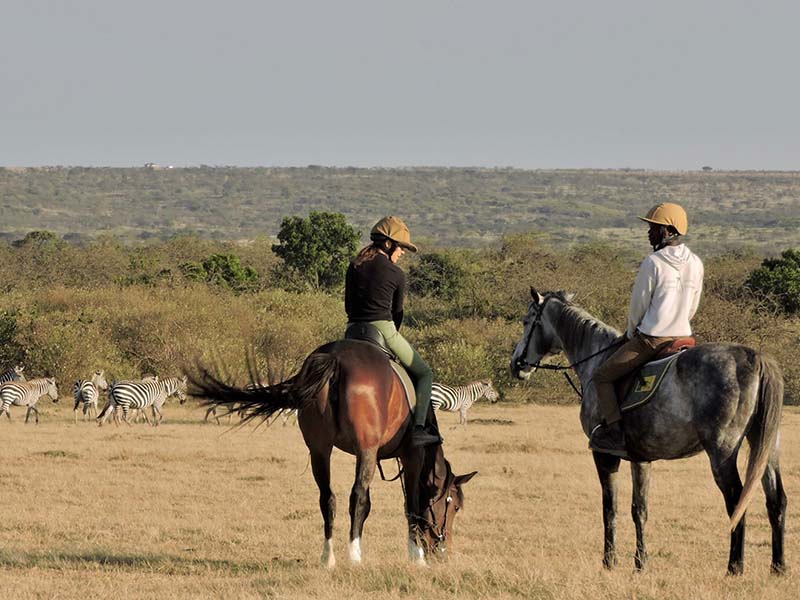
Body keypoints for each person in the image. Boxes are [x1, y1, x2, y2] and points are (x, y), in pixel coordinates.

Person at [589, 202, 704, 457]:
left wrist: (631, 333)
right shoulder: (696, 262)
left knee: (602, 377)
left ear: (667, 231)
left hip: (652, 339)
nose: (648, 232)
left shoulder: (653, 262)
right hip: (683, 336)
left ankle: (615, 433)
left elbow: (638, 306)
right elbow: (693, 306)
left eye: (653, 227)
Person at [344, 216, 441, 447]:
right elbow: (397, 313)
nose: (403, 252)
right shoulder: (396, 274)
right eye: (402, 247)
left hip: (351, 331)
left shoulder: (354, 265)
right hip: (382, 329)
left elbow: (348, 305)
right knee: (425, 373)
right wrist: (390, 338)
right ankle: (418, 429)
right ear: (388, 244)